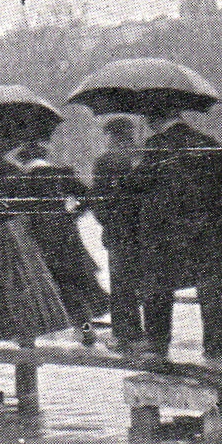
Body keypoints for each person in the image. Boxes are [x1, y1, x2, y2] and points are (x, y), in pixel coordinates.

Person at [126, 108, 222, 364]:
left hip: (165, 229)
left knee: (158, 286)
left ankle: (157, 345)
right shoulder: (207, 142)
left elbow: (138, 184)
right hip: (206, 226)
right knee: (209, 287)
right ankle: (215, 347)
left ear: (152, 118)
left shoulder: (156, 145)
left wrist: (134, 166)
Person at [0, 136, 72, 348]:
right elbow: (29, 207)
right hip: (14, 233)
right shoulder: (16, 172)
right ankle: (26, 335)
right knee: (21, 282)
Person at [13, 142, 108, 347]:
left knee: (34, 285)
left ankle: (31, 335)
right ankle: (86, 330)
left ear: (25, 159)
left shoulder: (23, 179)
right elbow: (88, 197)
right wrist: (73, 214)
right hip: (65, 236)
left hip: (36, 237)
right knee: (75, 287)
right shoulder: (61, 173)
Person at [91, 118, 143, 351]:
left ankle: (125, 333)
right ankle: (152, 334)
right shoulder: (143, 156)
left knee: (121, 283)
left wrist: (107, 220)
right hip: (146, 228)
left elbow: (97, 199)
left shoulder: (105, 161)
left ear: (111, 135)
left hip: (119, 230)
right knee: (148, 280)